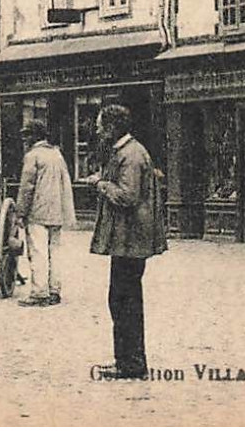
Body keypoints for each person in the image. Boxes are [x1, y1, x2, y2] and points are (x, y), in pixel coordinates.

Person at [85, 104, 166, 381]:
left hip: (130, 241)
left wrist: (100, 184)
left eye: (99, 126)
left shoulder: (130, 155)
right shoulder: (128, 151)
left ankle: (131, 364)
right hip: (127, 240)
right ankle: (127, 360)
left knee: (124, 301)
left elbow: (128, 196)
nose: (97, 130)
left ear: (111, 128)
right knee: (121, 299)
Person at [15, 121, 76, 306]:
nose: (24, 139)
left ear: (35, 136)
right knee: (54, 252)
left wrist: (20, 212)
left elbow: (26, 188)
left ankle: (39, 293)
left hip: (38, 212)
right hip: (56, 212)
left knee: (38, 252)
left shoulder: (32, 156)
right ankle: (54, 291)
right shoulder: (57, 155)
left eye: (27, 135)